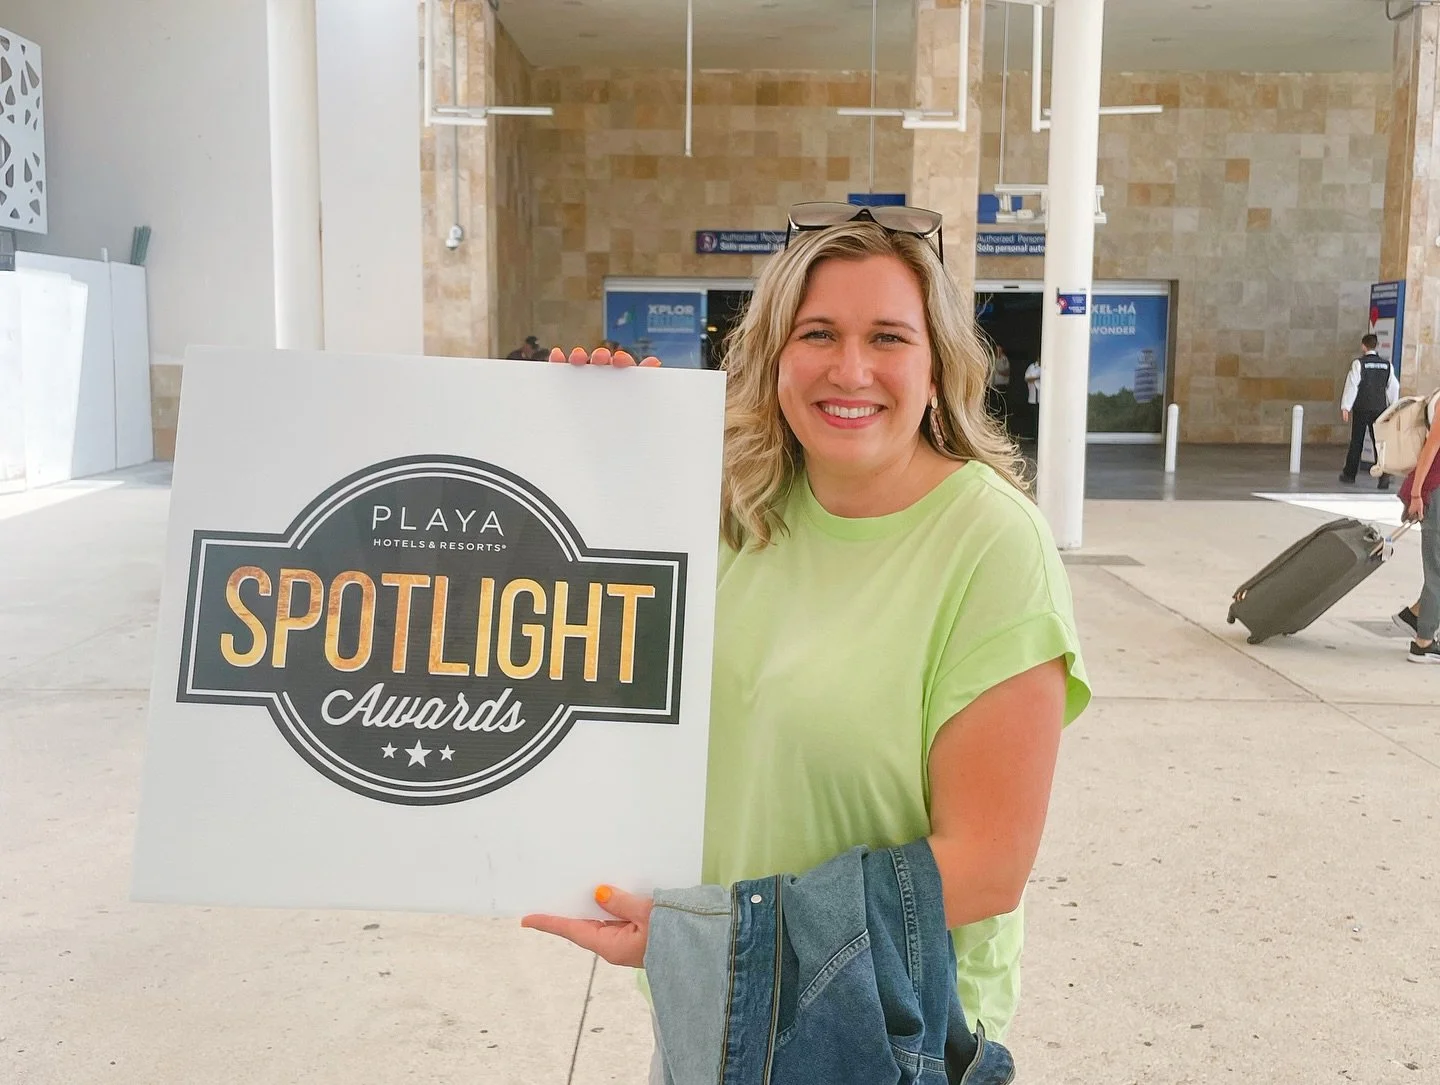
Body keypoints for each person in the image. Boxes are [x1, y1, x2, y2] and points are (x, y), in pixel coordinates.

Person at [522, 210, 1090, 1071]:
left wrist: (718, 935)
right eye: (817, 332)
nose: (849, 368)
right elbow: (580, 652)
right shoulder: (731, 512)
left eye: (888, 336)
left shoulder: (992, 545)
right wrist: (590, 442)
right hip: (702, 1006)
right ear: (774, 359)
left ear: (937, 367)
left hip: (876, 1029)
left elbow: (985, 865)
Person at [1393, 390, 1440, 663]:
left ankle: (1415, 614)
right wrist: (1416, 494)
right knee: (1437, 568)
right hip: (1433, 491)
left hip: (1431, 490)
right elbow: (1430, 449)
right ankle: (1423, 642)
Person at [1339, 333, 1400, 488]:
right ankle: (1384, 476)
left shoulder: (1359, 364)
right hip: (1380, 409)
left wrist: (1346, 407)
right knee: (1379, 443)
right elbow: (1393, 387)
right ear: (1376, 346)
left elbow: (1352, 386)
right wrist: (1393, 407)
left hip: (1361, 408)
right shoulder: (1387, 365)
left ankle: (1349, 474)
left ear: (1363, 346)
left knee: (1357, 442)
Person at [987, 343, 1012, 424]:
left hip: (1001, 385)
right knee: (992, 402)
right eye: (997, 350)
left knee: (1002, 402)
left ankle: (1002, 418)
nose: (998, 352)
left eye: (1000, 350)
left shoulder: (1004, 359)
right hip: (992, 385)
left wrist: (998, 371)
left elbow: (1007, 372)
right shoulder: (991, 358)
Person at [1024, 358, 1042, 439]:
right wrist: (1036, 378)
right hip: (1033, 396)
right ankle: (1034, 435)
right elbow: (1027, 378)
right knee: (1034, 417)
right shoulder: (1032, 367)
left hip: (1042, 397)